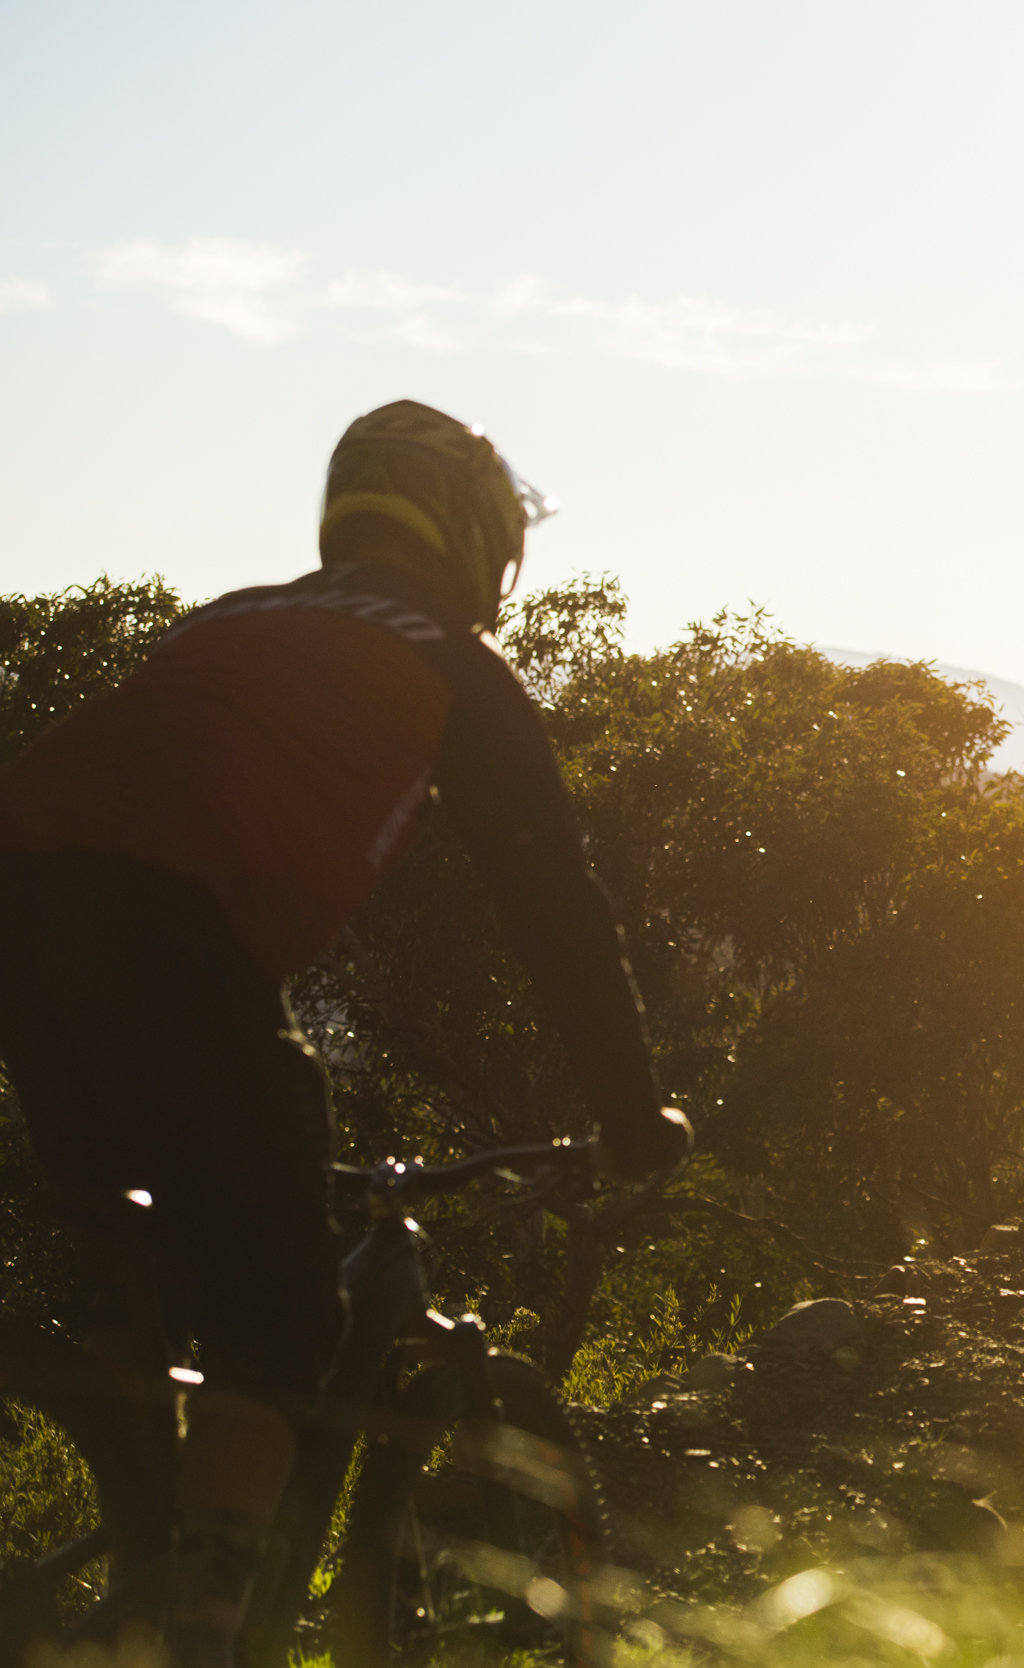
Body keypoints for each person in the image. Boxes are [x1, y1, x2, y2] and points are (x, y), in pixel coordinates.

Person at [0, 399, 692, 1668]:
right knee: (280, 1318)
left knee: (125, 1243)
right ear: (472, 534)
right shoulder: (451, 662)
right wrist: (631, 1109)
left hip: (21, 903)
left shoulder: (231, 615)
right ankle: (203, 1632)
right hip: (170, 922)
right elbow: (553, 901)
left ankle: (137, 1548)